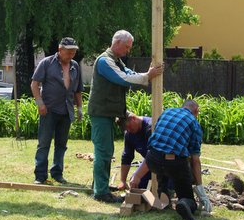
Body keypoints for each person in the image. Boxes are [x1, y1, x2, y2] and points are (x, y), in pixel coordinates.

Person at [87, 30, 164, 203]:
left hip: (107, 113)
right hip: (101, 113)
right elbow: (123, 78)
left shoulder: (116, 60)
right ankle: (100, 192)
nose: (128, 50)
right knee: (103, 151)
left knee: (106, 150)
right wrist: (147, 76)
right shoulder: (105, 61)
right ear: (117, 43)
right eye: (127, 47)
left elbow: (128, 73)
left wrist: (146, 75)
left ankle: (100, 185)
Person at [146, 100, 212, 220]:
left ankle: (163, 197)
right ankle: (184, 202)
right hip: (174, 164)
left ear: (183, 106)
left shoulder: (167, 112)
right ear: (196, 111)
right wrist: (200, 189)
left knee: (163, 166)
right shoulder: (194, 123)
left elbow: (160, 140)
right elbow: (195, 160)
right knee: (185, 191)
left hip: (152, 159)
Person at [30, 37, 84, 184]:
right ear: (60, 50)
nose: (72, 55)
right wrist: (40, 103)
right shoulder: (47, 63)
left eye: (74, 52)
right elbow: (34, 84)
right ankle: (40, 176)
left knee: (61, 144)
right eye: (69, 52)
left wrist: (79, 108)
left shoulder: (75, 66)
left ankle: (57, 173)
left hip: (66, 111)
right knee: (44, 143)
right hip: (49, 110)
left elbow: (78, 90)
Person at [116, 112, 174, 192]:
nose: (128, 130)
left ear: (133, 118)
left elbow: (153, 155)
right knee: (136, 184)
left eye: (129, 127)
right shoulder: (129, 134)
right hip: (150, 165)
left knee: (167, 189)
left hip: (167, 164)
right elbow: (127, 157)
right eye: (126, 129)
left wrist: (137, 175)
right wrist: (123, 180)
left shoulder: (151, 127)